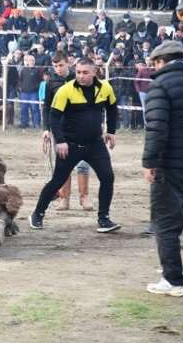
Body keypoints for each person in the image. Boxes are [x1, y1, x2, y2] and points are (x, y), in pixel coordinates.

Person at [31, 57, 118, 231]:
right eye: (78, 72)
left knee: (108, 178)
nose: (81, 76)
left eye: (85, 72)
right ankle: (37, 213)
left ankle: (104, 219)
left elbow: (112, 108)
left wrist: (111, 132)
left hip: (95, 144)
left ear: (94, 72)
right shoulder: (66, 90)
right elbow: (54, 117)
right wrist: (61, 141)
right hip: (70, 144)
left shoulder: (105, 88)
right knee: (57, 180)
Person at [142, 41, 183, 297]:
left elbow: (157, 129)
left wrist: (149, 162)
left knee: (166, 225)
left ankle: (174, 280)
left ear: (160, 62)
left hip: (170, 166)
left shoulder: (160, 86)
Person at [40, 51, 94, 211]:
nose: (58, 69)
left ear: (68, 63)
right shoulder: (52, 83)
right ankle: (64, 199)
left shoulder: (79, 79)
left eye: (61, 65)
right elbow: (47, 107)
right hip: (60, 129)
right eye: (55, 66)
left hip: (82, 128)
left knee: (83, 163)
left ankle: (84, 197)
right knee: (63, 164)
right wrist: (45, 128)